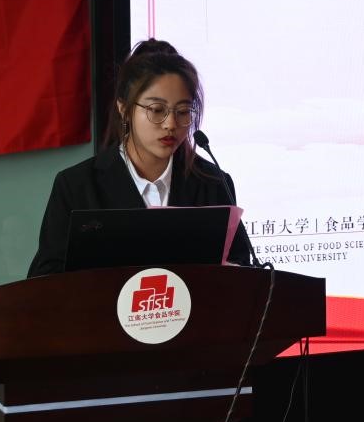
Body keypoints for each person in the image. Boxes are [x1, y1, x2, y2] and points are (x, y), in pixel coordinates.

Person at [28, 39, 254, 277]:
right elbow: (45, 278)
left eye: (183, 112)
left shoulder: (213, 183)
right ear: (124, 109)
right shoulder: (77, 185)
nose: (170, 124)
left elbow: (242, 271)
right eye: (157, 110)